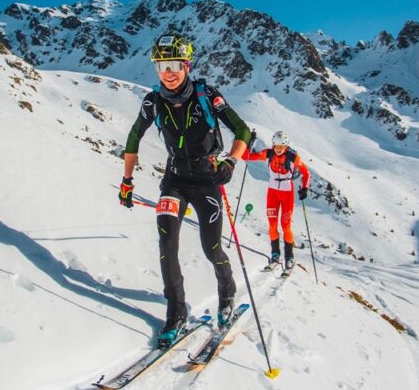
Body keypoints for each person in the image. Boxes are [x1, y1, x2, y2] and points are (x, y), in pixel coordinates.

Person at [119, 33, 252, 347]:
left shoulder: (207, 95)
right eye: (162, 64)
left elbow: (243, 130)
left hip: (207, 180)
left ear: (187, 65)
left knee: (211, 249)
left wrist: (231, 162)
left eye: (176, 64)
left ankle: (227, 294)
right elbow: (133, 138)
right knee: (167, 246)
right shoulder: (153, 101)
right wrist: (126, 182)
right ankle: (175, 312)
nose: (169, 71)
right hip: (175, 180)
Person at [243, 130, 310, 273]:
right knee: (272, 225)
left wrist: (304, 188)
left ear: (286, 146)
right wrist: (248, 144)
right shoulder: (268, 153)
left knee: (285, 226)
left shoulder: (293, 157)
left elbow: (305, 172)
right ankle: (275, 255)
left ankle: (289, 257)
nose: (278, 149)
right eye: (276, 146)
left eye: (281, 146)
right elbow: (246, 156)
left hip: (287, 192)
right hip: (272, 192)